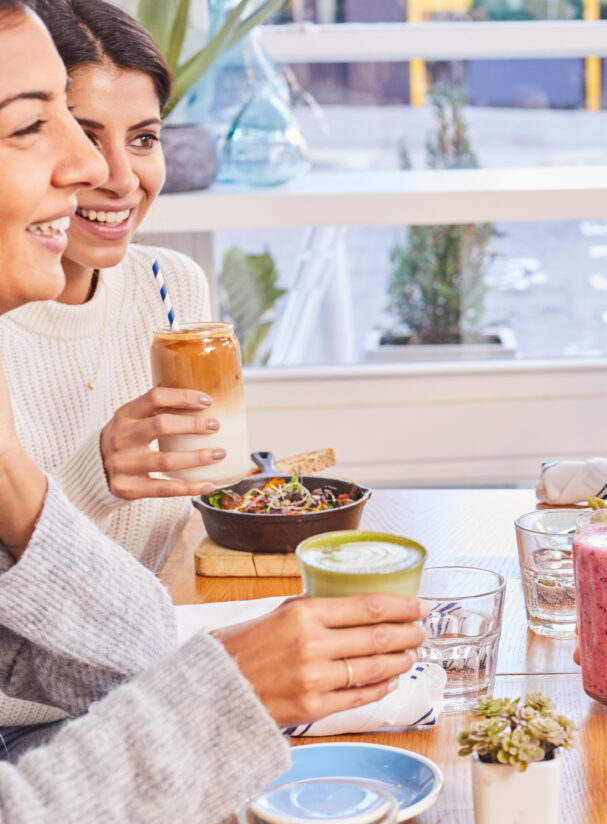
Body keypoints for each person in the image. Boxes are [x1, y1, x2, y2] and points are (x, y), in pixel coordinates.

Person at [0, 4, 426, 818]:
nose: (104, 173)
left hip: (137, 680)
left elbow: (139, 617)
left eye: (144, 137)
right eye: (40, 126)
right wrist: (81, 479)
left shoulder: (170, 287)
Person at [0, 0, 218, 577]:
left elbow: (193, 510)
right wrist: (94, 476)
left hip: (173, 635)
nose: (119, 179)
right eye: (85, 135)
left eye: (144, 139)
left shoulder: (170, 286)